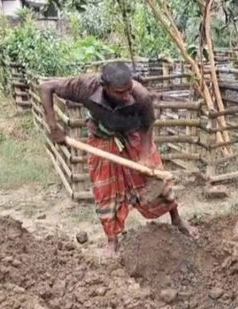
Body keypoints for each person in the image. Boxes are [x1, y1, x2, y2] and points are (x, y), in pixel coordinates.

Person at [40, 62, 199, 257]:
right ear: (104, 87)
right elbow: (46, 87)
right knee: (104, 190)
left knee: (156, 181)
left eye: (128, 90)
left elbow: (148, 125)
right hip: (102, 137)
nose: (125, 96)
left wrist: (144, 155)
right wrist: (53, 127)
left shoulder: (140, 95)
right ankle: (112, 241)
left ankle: (176, 219)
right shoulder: (85, 87)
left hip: (135, 136)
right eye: (119, 92)